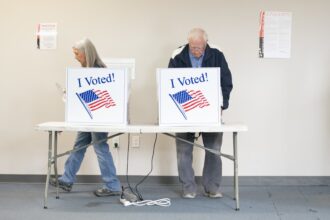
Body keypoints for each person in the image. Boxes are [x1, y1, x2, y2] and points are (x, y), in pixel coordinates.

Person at [50, 38, 121, 197]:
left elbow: (100, 97)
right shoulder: (87, 70)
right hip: (87, 118)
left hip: (98, 119)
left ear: (86, 53)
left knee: (100, 149)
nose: (75, 57)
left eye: (77, 54)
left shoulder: (100, 71)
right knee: (79, 146)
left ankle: (113, 186)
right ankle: (67, 180)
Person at [168, 28, 233, 199]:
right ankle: (188, 187)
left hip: (210, 109)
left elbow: (226, 82)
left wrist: (222, 106)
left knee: (213, 149)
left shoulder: (217, 53)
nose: (196, 51)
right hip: (184, 109)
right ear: (188, 43)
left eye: (199, 48)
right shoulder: (177, 55)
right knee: (183, 150)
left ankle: (212, 188)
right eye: (193, 47)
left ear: (206, 43)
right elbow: (168, 83)